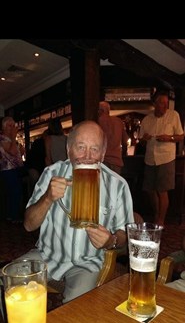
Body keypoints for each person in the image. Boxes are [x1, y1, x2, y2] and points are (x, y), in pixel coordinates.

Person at [23, 120, 134, 304]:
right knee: (8, 281)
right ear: (68, 149)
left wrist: (111, 240)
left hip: (88, 263)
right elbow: (28, 225)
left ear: (103, 153)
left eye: (95, 149)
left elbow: (125, 237)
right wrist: (48, 198)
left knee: (77, 308)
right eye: (81, 147)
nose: (88, 157)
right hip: (47, 256)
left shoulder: (117, 185)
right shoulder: (51, 174)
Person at [139, 90, 184, 226]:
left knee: (162, 190)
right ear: (154, 104)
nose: (164, 106)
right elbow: (140, 141)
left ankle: (161, 220)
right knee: (150, 190)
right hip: (150, 158)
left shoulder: (173, 115)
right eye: (161, 103)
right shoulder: (147, 119)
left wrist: (168, 138)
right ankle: (157, 213)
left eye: (166, 103)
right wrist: (144, 139)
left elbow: (181, 136)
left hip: (166, 158)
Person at [0, 116, 25, 223]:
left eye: (13, 126)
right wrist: (14, 137)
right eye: (10, 126)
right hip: (7, 170)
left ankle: (13, 215)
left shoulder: (10, 139)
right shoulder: (2, 138)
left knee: (16, 192)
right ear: (4, 127)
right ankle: (12, 216)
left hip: (16, 169)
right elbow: (13, 152)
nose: (13, 128)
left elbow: (21, 152)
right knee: (14, 192)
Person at [98, 101, 128, 175]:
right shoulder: (118, 121)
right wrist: (123, 154)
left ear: (101, 110)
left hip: (103, 161)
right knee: (115, 185)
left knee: (102, 185)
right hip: (116, 161)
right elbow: (125, 141)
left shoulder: (98, 122)